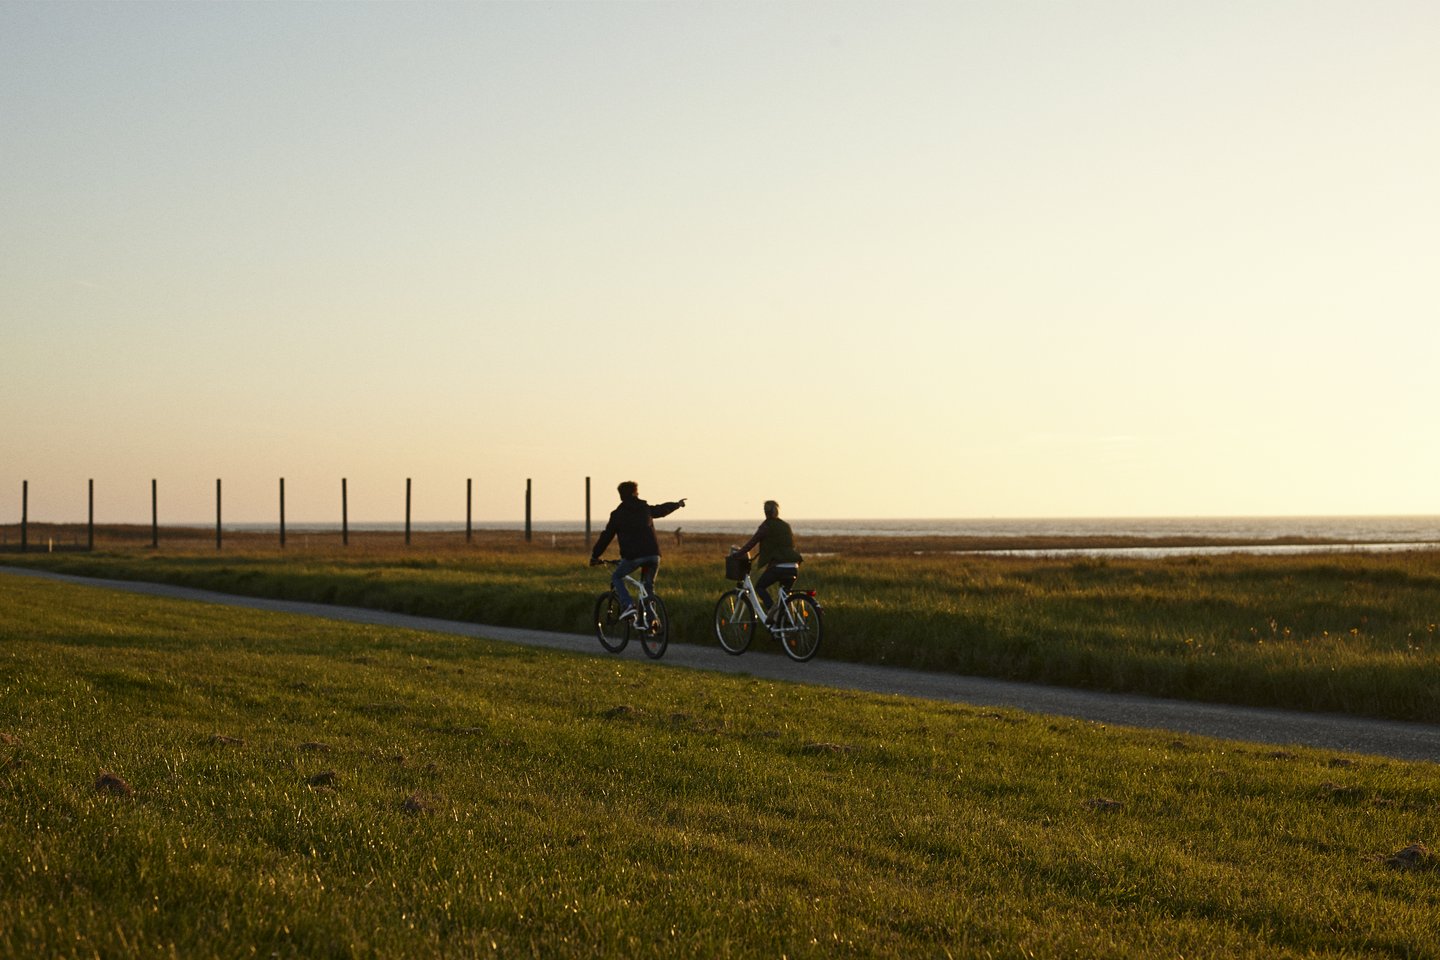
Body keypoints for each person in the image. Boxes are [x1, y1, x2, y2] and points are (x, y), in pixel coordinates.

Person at [589, 481, 686, 620]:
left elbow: (606, 537)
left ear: (621, 496)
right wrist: (677, 504)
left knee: (616, 577)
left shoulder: (617, 514)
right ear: (635, 493)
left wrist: (595, 556)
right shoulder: (645, 508)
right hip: (653, 555)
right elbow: (660, 510)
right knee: (648, 588)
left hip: (633, 557)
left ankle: (628, 606)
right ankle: (652, 621)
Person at [732, 500, 803, 620]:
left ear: (765, 512)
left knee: (760, 587)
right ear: (777, 511)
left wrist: (737, 554)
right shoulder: (786, 526)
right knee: (784, 597)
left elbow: (751, 544)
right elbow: (786, 545)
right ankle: (783, 622)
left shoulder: (766, 526)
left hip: (779, 568)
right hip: (793, 567)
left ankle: (772, 612)